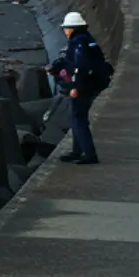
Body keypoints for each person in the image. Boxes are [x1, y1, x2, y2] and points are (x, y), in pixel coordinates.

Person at [50, 10, 111, 164]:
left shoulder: (78, 43)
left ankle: (89, 154)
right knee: (77, 116)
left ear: (72, 28)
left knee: (79, 118)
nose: (64, 31)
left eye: (65, 28)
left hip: (86, 85)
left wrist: (76, 87)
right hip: (95, 82)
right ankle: (78, 151)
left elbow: (80, 67)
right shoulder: (86, 39)